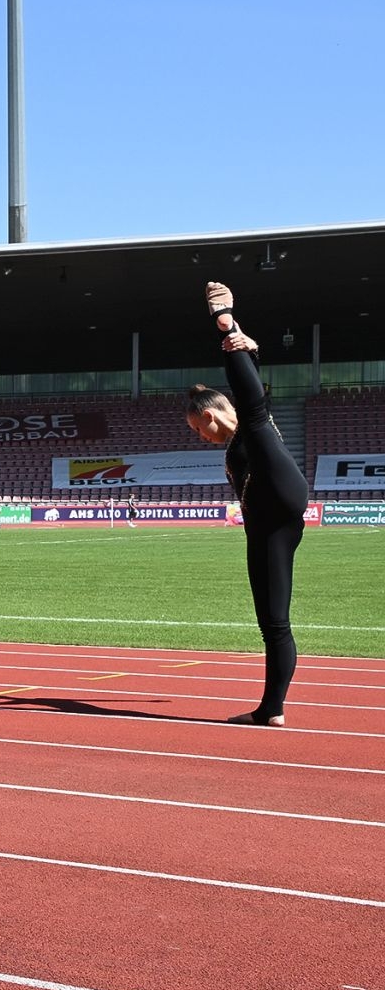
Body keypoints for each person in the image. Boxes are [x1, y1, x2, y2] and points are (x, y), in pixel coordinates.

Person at [186, 282, 309, 725]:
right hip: (270, 522)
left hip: (278, 499)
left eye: (197, 428)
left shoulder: (249, 430)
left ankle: (224, 319)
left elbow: (250, 398)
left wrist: (229, 328)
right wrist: (251, 352)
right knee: (273, 621)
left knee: (254, 415)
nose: (199, 436)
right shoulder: (244, 437)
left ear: (209, 415)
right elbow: (253, 389)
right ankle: (271, 709)